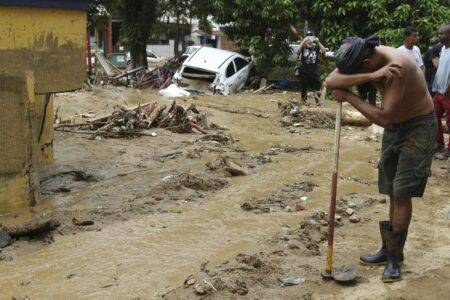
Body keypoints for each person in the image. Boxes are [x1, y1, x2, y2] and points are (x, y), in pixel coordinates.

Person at [325, 35, 436, 283]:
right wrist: (371, 77)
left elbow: (384, 118)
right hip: (395, 128)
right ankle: (388, 250)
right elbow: (331, 81)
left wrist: (351, 97)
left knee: (402, 191)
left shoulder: (398, 68)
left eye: (362, 71)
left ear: (366, 61)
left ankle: (395, 259)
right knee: (390, 189)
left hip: (417, 127)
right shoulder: (361, 53)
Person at [432, 24, 450, 160]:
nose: (439, 36)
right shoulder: (443, 49)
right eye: (439, 33)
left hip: (448, 92)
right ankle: (439, 143)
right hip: (439, 91)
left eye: (442, 34)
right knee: (432, 116)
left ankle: (449, 150)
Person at [296, 31, 326, 106]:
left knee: (317, 87)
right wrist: (303, 42)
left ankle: (318, 103)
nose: (310, 38)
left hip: (314, 72)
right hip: (304, 72)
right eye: (308, 37)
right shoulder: (303, 46)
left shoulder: (316, 46)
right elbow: (297, 51)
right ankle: (303, 102)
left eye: (311, 36)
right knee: (304, 88)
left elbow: (324, 51)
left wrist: (318, 42)